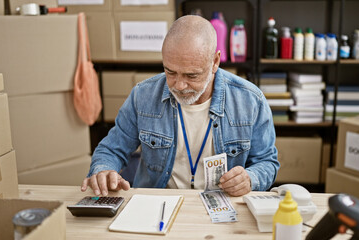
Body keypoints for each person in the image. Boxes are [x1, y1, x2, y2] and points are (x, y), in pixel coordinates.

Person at [81, 15, 279, 197]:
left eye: (192, 75)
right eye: (170, 72)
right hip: (158, 202)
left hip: (222, 203)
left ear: (215, 62)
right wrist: (103, 170)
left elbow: (267, 162)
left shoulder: (250, 100)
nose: (179, 85)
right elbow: (111, 149)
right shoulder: (143, 96)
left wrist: (250, 179)